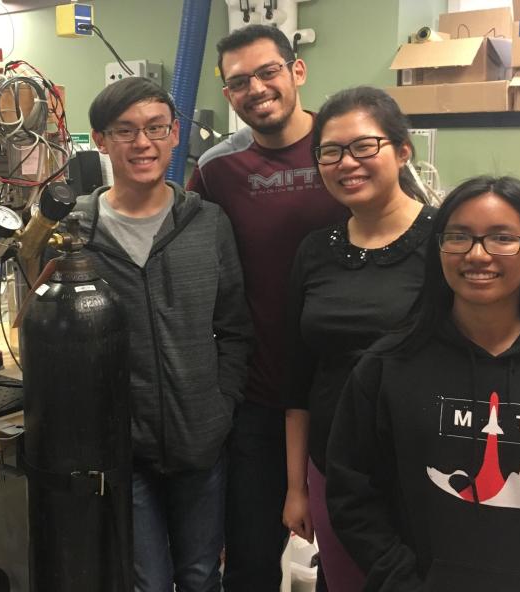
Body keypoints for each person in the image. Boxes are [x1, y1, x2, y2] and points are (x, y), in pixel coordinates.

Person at [326, 175, 520, 591]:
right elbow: (352, 495)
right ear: (440, 250)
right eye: (459, 237)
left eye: (501, 238)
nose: (477, 254)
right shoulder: (387, 367)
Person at [187, 24, 348, 591]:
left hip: (344, 397)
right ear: (227, 94)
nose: (255, 88)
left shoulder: (346, 153)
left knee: (350, 562)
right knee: (252, 562)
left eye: (267, 71)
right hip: (258, 400)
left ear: (296, 71)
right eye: (238, 81)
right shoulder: (216, 173)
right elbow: (181, 258)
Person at [77, 76, 253, 592]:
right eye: (126, 131)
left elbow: (235, 328)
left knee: (200, 576)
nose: (143, 143)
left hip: (201, 438)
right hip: (121, 446)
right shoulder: (76, 233)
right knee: (147, 583)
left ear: (175, 134)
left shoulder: (207, 223)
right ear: (100, 140)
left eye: (156, 128)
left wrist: (221, 407)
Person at [284, 86, 434, 591]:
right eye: (330, 151)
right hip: (335, 469)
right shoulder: (315, 251)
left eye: (364, 146)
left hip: (427, 472)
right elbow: (299, 377)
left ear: (402, 150)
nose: (347, 162)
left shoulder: (446, 242)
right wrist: (296, 487)